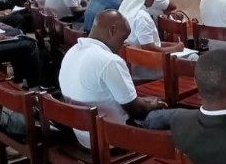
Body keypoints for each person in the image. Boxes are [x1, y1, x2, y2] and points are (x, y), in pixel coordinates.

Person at [58, 10, 177, 149]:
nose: (122, 45)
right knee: (180, 117)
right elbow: (135, 110)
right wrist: (153, 105)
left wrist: (143, 102)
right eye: (122, 39)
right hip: (113, 138)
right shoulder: (109, 61)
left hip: (84, 135)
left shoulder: (72, 52)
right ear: (112, 30)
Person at [119, 0, 184, 80]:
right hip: (146, 67)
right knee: (193, 59)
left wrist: (173, 45)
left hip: (133, 64)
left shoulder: (124, 9)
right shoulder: (141, 16)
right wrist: (175, 48)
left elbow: (148, 43)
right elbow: (148, 48)